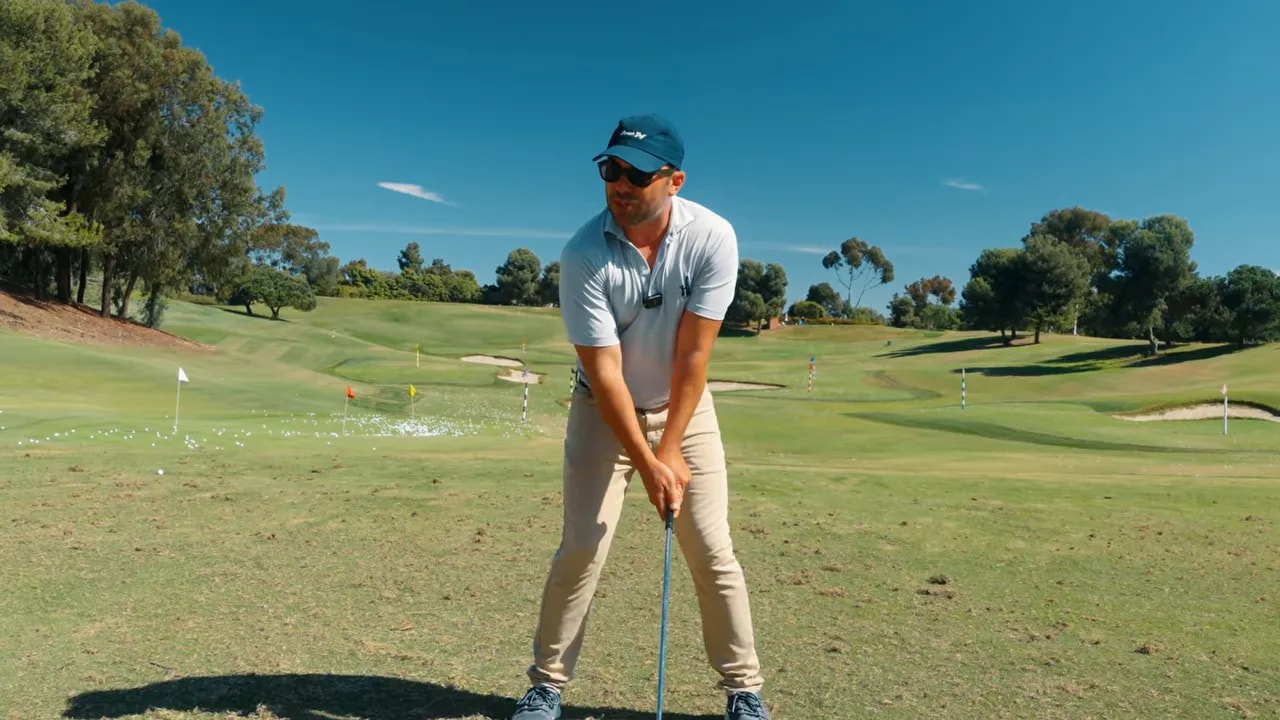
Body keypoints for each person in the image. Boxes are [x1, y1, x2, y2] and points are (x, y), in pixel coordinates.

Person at [510, 114, 770, 720]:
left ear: (674, 180)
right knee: (582, 548)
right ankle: (546, 684)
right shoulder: (582, 255)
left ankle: (744, 691)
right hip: (602, 412)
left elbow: (694, 355)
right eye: (610, 170)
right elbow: (604, 375)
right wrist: (646, 460)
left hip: (684, 408)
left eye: (637, 173)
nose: (620, 184)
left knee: (711, 548)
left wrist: (670, 448)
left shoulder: (713, 238)